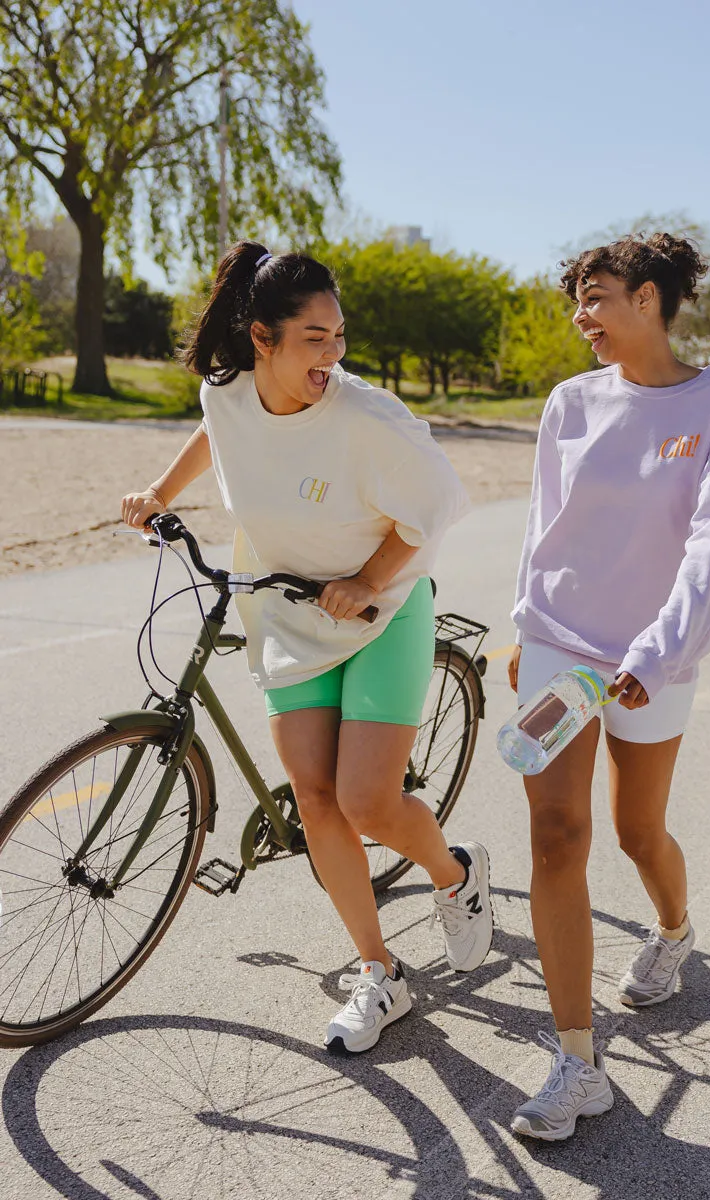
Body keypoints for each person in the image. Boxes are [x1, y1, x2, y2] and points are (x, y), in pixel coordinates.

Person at [121, 242, 493, 1054]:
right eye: (314, 339)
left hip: (380, 612)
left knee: (367, 802)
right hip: (285, 609)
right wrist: (159, 493)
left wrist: (367, 578)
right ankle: (379, 972)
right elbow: (215, 427)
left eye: (339, 337)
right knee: (316, 801)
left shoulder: (367, 419)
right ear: (263, 338)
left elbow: (439, 501)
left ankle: (456, 874)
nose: (332, 355)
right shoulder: (228, 390)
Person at [506, 233, 710, 1139]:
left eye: (596, 297)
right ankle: (578, 1062)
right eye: (578, 300)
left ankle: (672, 929)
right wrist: (523, 627)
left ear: (648, 299)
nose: (582, 317)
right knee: (554, 834)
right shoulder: (568, 403)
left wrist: (653, 655)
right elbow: (545, 524)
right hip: (559, 650)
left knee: (635, 829)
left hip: (655, 660)